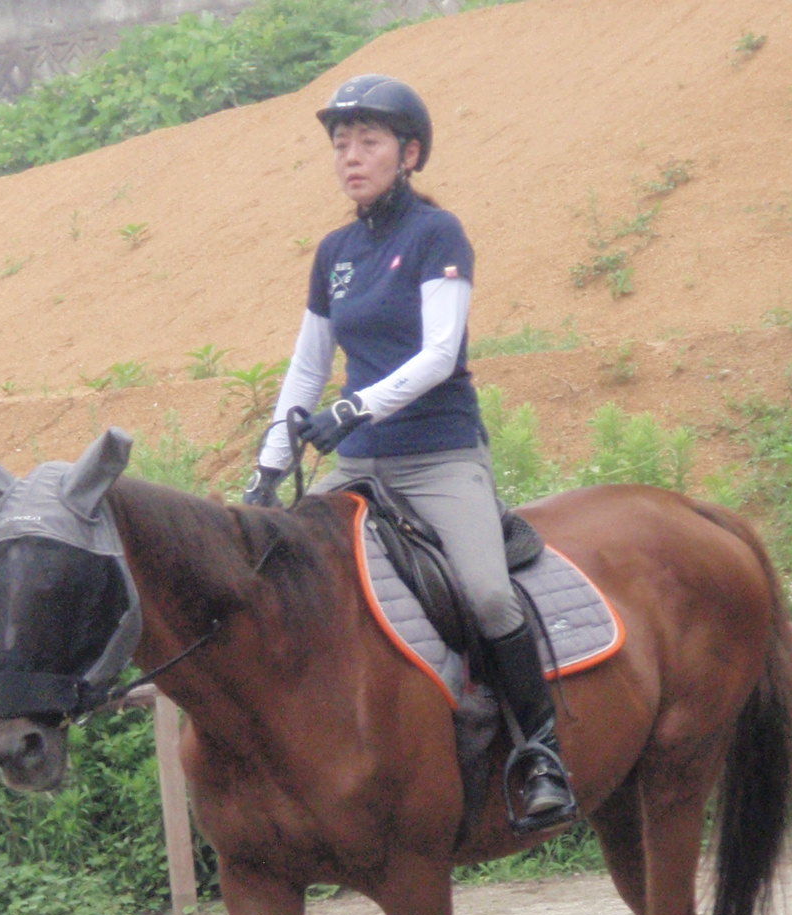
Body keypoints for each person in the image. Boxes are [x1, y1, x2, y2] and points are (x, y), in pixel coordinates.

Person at [240, 74, 577, 833]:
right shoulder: (334, 252)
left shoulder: (437, 234)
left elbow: (438, 353)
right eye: (341, 144)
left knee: (487, 595)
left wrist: (354, 407)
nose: (351, 157)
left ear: (410, 154)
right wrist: (268, 467)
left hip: (439, 457)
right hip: (356, 464)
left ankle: (540, 754)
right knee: (284, 581)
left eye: (369, 142)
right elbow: (306, 369)